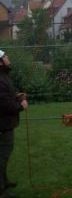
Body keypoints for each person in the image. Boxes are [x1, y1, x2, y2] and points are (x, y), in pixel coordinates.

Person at [0, 50, 28, 198]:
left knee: (3, 156)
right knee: (2, 157)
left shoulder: (3, 75)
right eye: (4, 56)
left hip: (5, 125)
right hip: (3, 126)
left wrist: (16, 97)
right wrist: (21, 105)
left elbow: (5, 98)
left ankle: (3, 182)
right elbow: (6, 106)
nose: (7, 57)